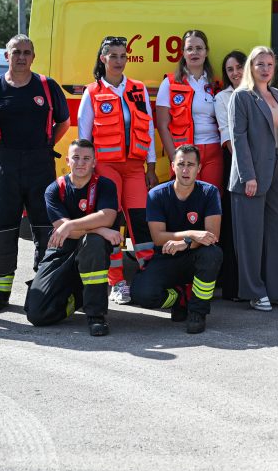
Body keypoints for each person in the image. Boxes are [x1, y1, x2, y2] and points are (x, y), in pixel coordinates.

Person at [0, 34, 70, 313]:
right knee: (2, 229)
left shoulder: (47, 87)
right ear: (7, 56)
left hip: (41, 166)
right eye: (16, 52)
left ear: (33, 57)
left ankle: (42, 289)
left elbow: (63, 122)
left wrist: (46, 144)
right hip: (3, 168)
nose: (22, 57)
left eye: (27, 52)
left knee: (45, 229)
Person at [77, 36, 158, 306]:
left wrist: (152, 165)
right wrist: (87, 172)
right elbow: (84, 135)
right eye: (113, 56)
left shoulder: (137, 89)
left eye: (123, 56)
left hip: (135, 168)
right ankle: (117, 281)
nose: (119, 61)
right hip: (106, 167)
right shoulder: (92, 92)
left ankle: (150, 278)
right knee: (111, 225)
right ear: (103, 59)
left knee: (141, 223)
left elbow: (147, 129)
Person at [25, 139, 120, 336]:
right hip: (61, 250)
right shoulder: (54, 189)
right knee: (37, 315)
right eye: (76, 158)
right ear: (68, 160)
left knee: (94, 243)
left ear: (94, 162)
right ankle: (78, 298)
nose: (81, 163)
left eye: (86, 158)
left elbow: (108, 216)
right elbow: (63, 230)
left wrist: (71, 224)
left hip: (90, 251)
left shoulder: (105, 185)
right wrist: (100, 229)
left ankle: (96, 315)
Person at [230, 46, 278, 311]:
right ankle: (255, 292)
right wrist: (248, 175)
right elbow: (239, 138)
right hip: (252, 173)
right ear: (251, 66)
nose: (265, 69)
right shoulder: (242, 96)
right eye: (260, 64)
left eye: (269, 64)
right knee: (251, 236)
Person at [134, 145, 223, 334]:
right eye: (181, 164)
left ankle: (197, 312)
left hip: (195, 256)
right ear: (172, 166)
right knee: (142, 294)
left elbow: (212, 235)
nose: (185, 169)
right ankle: (180, 298)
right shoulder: (156, 195)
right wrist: (192, 234)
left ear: (199, 168)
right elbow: (158, 238)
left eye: (191, 165)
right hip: (166, 257)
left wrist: (185, 243)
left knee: (212, 254)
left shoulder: (209, 192)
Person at [155, 29, 223, 187]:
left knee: (212, 198)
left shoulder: (216, 84)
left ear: (206, 52)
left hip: (214, 151)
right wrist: (175, 158)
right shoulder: (169, 83)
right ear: (183, 53)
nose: (194, 52)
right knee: (187, 199)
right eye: (189, 48)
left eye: (199, 48)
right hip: (186, 153)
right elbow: (162, 126)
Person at [214, 50, 246, 300]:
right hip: (235, 164)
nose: (235, 73)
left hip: (262, 165)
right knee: (233, 226)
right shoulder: (222, 97)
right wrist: (246, 165)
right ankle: (232, 285)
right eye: (230, 70)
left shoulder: (262, 94)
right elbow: (228, 136)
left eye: (239, 67)